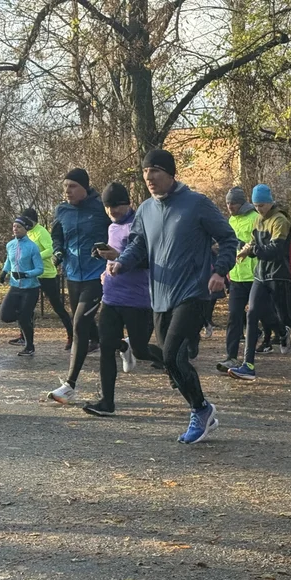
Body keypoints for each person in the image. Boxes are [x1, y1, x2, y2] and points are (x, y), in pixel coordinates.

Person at [110, 149, 237, 443]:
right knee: (172, 361)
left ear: (170, 173)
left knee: (171, 354)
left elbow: (229, 238)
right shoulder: (145, 210)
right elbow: (138, 244)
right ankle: (202, 408)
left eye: (155, 170)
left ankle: (200, 410)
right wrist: (122, 262)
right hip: (160, 295)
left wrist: (219, 270)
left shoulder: (197, 204)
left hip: (193, 292)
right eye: (145, 172)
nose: (149, 177)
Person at [75, 183, 163, 416]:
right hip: (112, 296)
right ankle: (107, 402)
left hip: (137, 299)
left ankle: (171, 363)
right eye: (107, 206)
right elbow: (113, 255)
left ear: (128, 203)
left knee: (142, 350)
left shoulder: (140, 225)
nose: (112, 210)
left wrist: (120, 257)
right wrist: (106, 264)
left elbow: (149, 260)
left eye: (116, 205)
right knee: (106, 347)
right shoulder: (112, 227)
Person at [228, 184, 291, 381]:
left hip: (278, 275)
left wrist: (254, 251)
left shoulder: (280, 220)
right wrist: (245, 251)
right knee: (252, 314)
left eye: (262, 205)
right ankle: (248, 365)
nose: (258, 209)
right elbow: (254, 242)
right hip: (260, 275)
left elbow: (276, 250)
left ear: (270, 202)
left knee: (286, 317)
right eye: (255, 205)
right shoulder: (257, 219)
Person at [51, 168, 109, 359]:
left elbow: (117, 230)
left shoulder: (101, 207)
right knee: (80, 317)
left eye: (73, 186)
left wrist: (109, 252)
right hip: (73, 272)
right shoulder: (61, 210)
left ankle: (74, 370)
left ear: (85, 187)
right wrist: (58, 251)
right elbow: (57, 236)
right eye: (65, 186)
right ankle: (109, 342)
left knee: (79, 322)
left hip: (96, 272)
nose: (68, 190)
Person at [10, 207, 73, 349]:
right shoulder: (26, 233)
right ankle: (23, 337)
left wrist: (35, 256)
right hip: (31, 276)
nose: (24, 224)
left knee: (57, 306)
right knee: (25, 308)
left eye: (26, 221)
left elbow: (51, 249)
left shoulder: (41, 232)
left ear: (32, 221)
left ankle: (71, 336)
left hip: (46, 275)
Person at [217, 187, 259, 372]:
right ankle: (231, 357)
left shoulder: (255, 217)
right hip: (236, 276)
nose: (229, 207)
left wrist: (245, 246)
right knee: (234, 317)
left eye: (232, 203)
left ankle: (281, 332)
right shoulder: (231, 220)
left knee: (259, 315)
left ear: (241, 203)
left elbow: (258, 242)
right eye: (227, 203)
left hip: (255, 276)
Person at [0, 215, 44, 356]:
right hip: (15, 286)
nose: (15, 229)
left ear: (26, 229)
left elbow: (39, 269)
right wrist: (4, 272)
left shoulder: (32, 247)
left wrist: (25, 274)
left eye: (19, 227)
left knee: (24, 318)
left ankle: (29, 346)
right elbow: (9, 260)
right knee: (5, 315)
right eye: (14, 227)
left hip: (30, 288)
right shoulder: (10, 245)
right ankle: (23, 316)